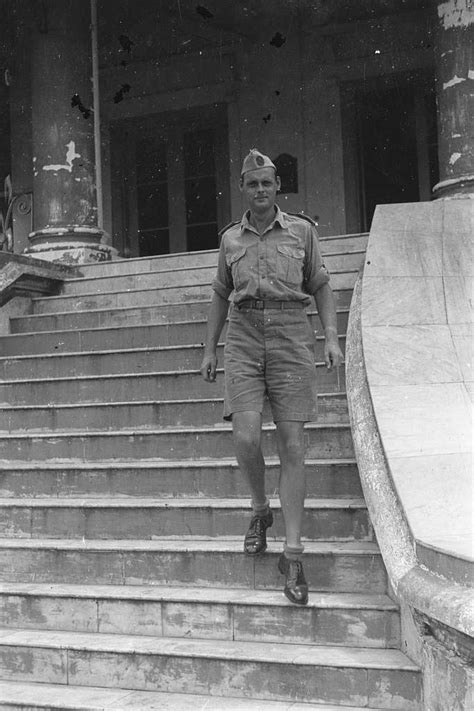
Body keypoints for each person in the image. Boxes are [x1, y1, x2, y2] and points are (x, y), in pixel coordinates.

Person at [200, 149, 343, 605]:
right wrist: (210, 348)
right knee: (245, 439)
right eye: (251, 184)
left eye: (266, 183)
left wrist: (332, 339)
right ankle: (261, 509)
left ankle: (294, 554)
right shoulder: (230, 241)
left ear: (277, 185)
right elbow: (221, 294)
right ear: (242, 189)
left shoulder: (302, 231)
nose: (259, 190)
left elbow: (320, 284)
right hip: (243, 337)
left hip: (291, 335)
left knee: (293, 444)